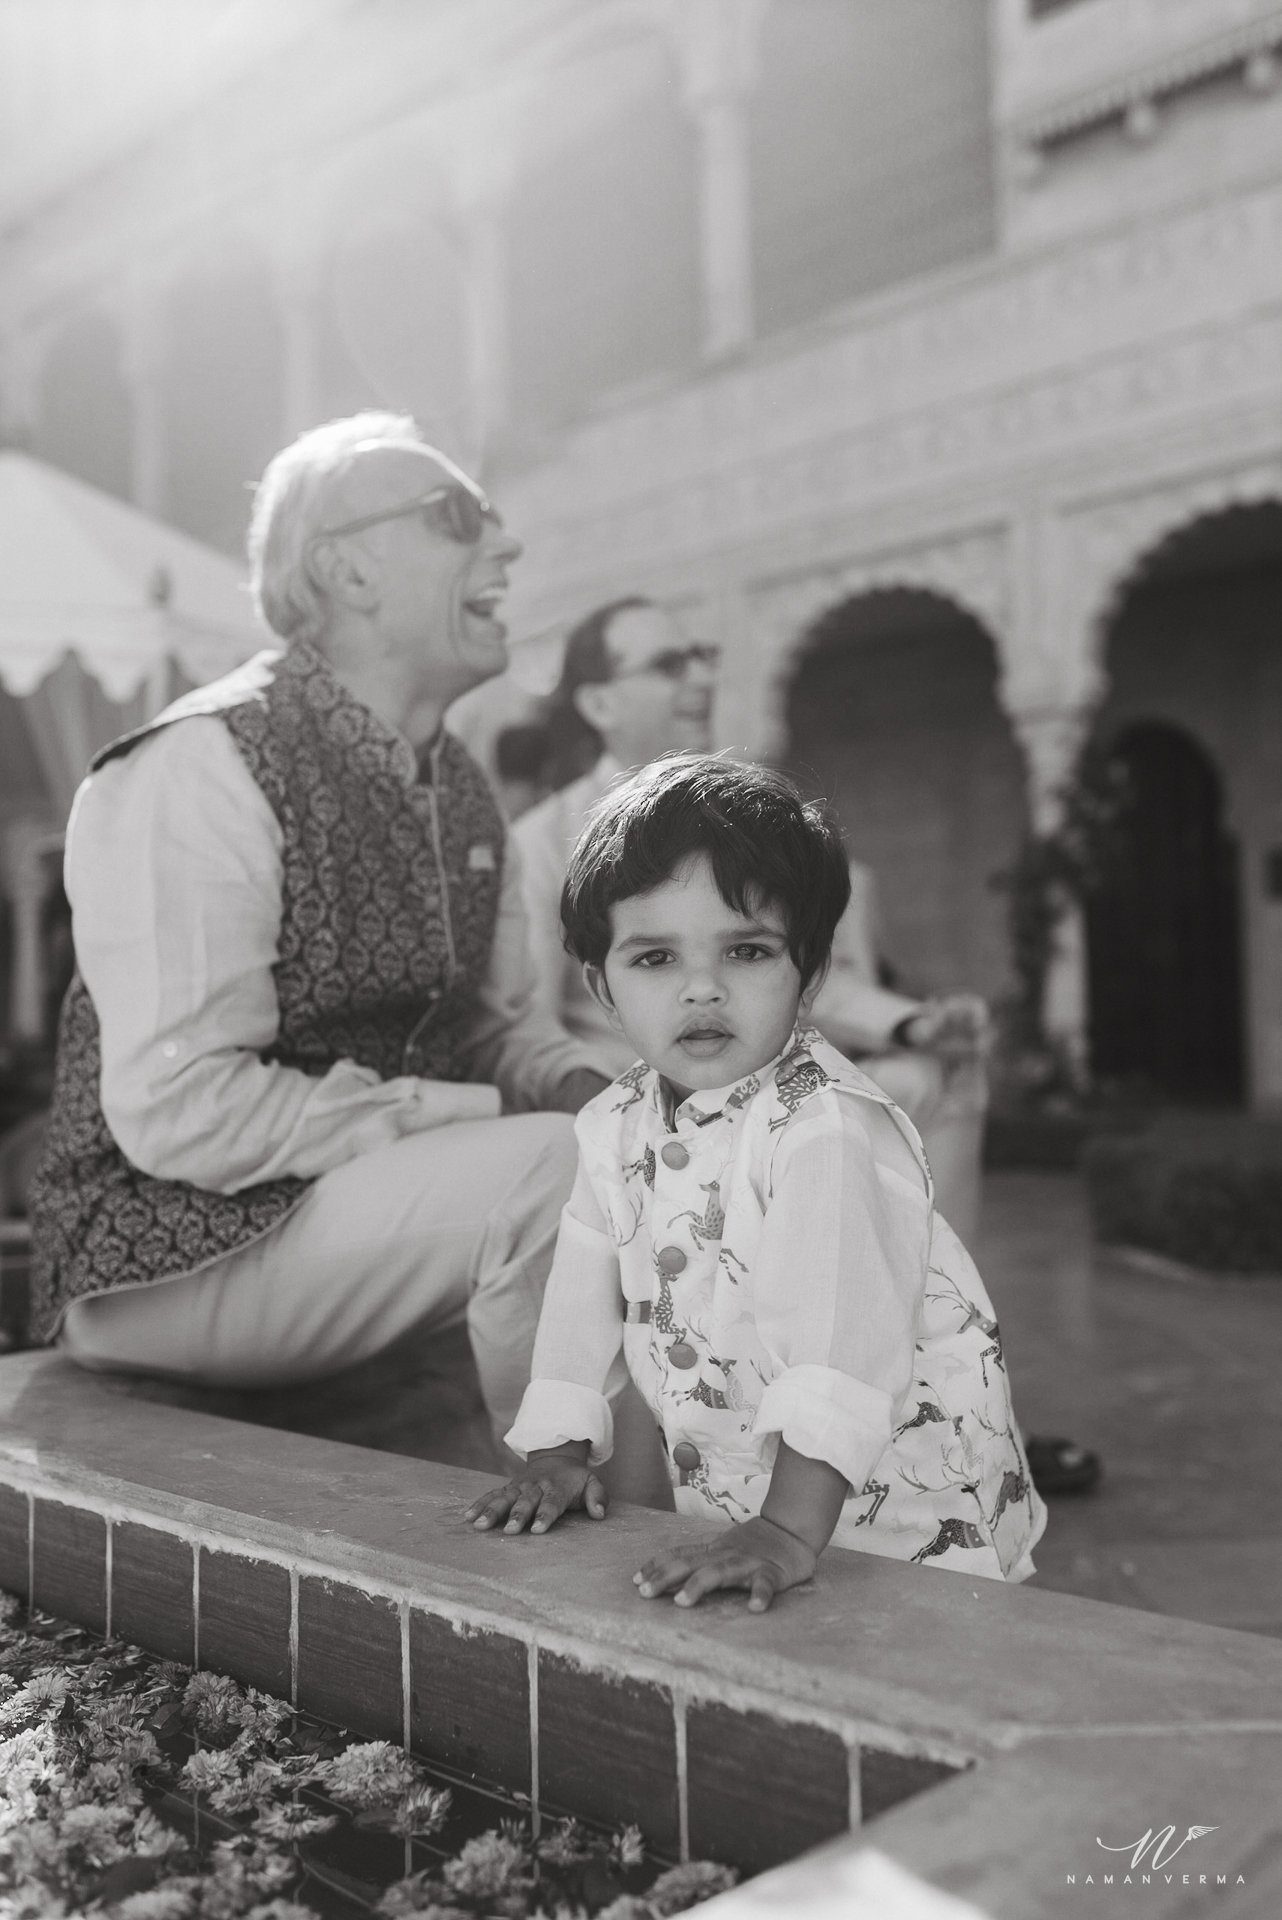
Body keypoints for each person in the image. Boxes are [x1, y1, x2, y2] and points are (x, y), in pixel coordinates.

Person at [28, 412, 613, 1440]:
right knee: (554, 1170)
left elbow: (492, 1029)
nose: (507, 543)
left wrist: (607, 1094)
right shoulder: (203, 762)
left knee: (633, 1147)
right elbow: (182, 1110)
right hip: (167, 1252)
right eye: (457, 515)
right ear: (347, 569)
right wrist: (469, 1114)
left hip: (345, 1208)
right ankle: (607, 1524)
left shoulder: (459, 785)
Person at [466, 757, 1046, 1609]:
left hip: (906, 1517)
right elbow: (577, 1310)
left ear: (809, 974)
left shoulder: (824, 1128)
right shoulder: (611, 1125)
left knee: (923, 1659)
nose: (702, 988)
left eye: (747, 951)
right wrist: (556, 1452)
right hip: (755, 1513)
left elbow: (838, 1349)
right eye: (655, 958)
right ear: (603, 987)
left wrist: (786, 1532)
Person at [513, 594, 989, 1239]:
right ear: (600, 704)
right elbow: (535, 1028)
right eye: (669, 665)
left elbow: (791, 965)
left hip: (766, 1066)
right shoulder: (544, 842)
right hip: (645, 1089)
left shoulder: (742, 818)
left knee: (939, 1077)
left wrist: (910, 1024)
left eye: (701, 657)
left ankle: (933, 1296)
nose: (700, 679)